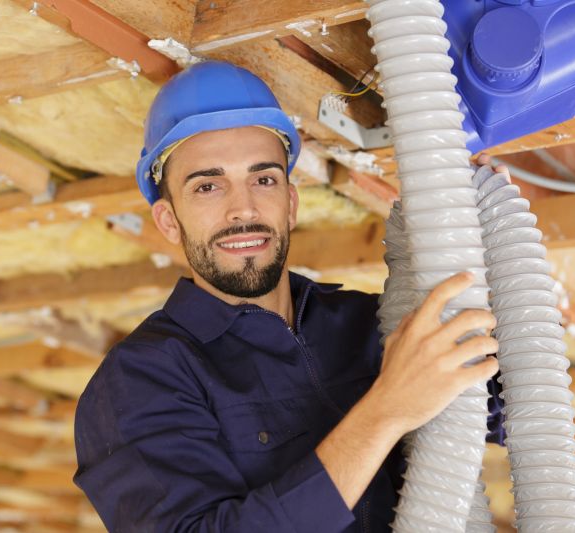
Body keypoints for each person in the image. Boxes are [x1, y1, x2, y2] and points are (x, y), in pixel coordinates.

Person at [74, 61, 503, 532]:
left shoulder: (374, 324)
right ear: (169, 221)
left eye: (263, 179)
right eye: (208, 186)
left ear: (291, 203)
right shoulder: (140, 378)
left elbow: (522, 414)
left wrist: (494, 259)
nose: (244, 209)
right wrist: (386, 409)